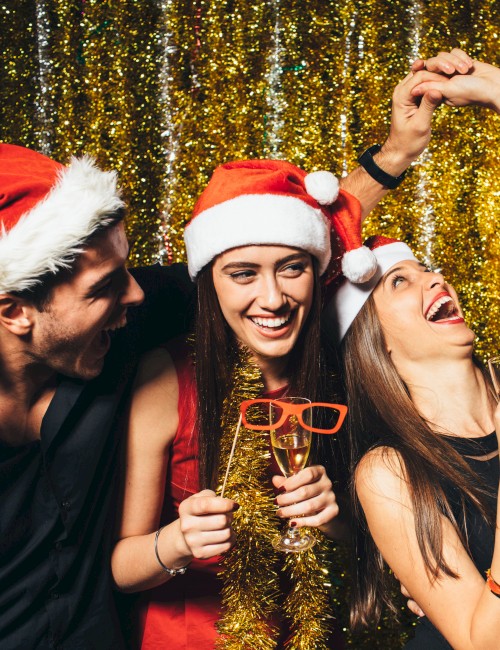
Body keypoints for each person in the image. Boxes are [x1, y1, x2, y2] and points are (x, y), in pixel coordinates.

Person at [0, 55, 448, 648]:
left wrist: (393, 155)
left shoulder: (139, 317)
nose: (134, 293)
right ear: (15, 312)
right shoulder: (163, 371)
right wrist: (174, 544)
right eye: (106, 287)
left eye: (128, 271)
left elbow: (291, 235)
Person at [327, 51, 500, 650]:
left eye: (427, 269)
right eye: (399, 280)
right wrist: (395, 152)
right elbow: (482, 640)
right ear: (375, 345)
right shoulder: (389, 472)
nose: (435, 279)